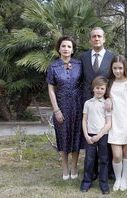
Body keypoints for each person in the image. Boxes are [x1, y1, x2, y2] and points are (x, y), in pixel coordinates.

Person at [81, 27, 115, 180]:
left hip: (106, 102)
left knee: (105, 138)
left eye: (99, 36)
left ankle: (107, 171)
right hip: (88, 102)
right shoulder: (83, 57)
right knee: (91, 137)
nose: (96, 38)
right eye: (93, 36)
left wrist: (110, 97)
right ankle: (92, 172)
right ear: (90, 39)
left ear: (104, 38)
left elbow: (114, 79)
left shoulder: (112, 56)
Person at [46, 36, 83, 180]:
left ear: (73, 49)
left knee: (75, 136)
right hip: (61, 106)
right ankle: (65, 168)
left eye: (69, 46)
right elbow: (50, 89)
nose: (66, 49)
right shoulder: (53, 66)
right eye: (63, 46)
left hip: (77, 105)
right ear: (59, 48)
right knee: (63, 136)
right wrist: (56, 110)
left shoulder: (79, 64)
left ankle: (74, 167)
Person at [107, 55, 127, 191]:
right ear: (111, 68)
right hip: (114, 123)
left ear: (125, 68)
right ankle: (118, 178)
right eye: (115, 68)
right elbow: (105, 97)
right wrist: (107, 99)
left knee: (126, 152)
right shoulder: (110, 83)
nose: (118, 71)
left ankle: (124, 179)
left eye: (120, 68)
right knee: (117, 155)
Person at [80, 76, 112, 194]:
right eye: (97, 88)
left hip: (102, 135)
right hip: (89, 135)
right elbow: (84, 120)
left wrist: (99, 135)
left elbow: (109, 123)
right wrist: (86, 136)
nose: (99, 90)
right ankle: (86, 182)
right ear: (93, 88)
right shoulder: (88, 103)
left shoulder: (106, 104)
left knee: (104, 159)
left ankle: (104, 184)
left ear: (105, 90)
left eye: (102, 89)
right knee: (89, 159)